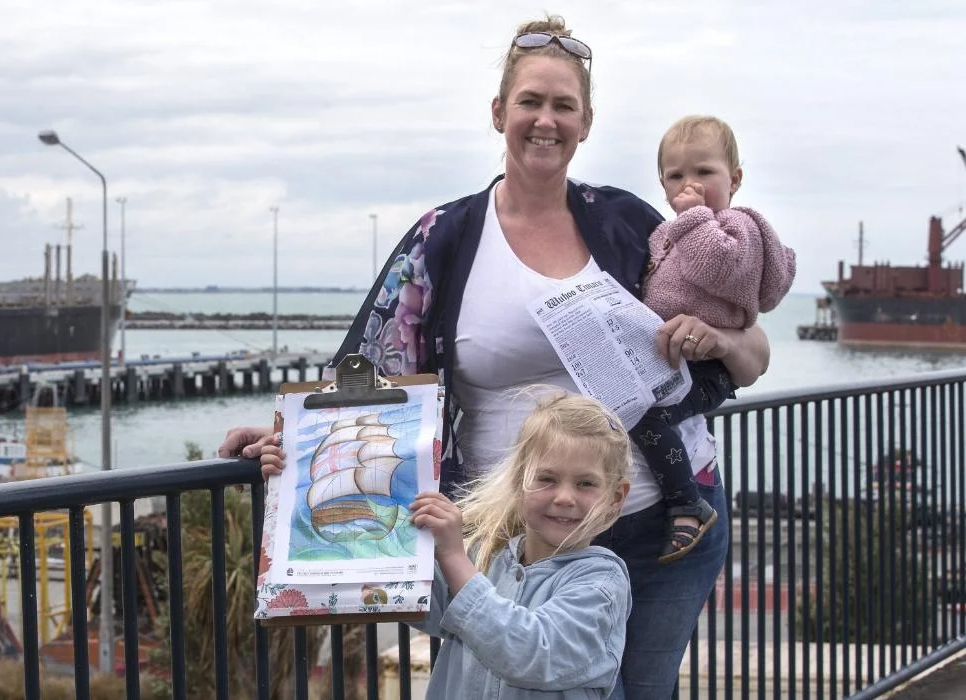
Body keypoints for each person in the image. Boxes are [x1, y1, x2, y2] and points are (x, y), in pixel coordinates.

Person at [220, 14, 772, 699]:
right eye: (531, 102)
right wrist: (290, 440)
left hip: (666, 525)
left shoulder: (632, 225)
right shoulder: (443, 239)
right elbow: (369, 374)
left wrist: (721, 340)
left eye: (564, 105)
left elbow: (749, 351)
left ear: (587, 121)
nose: (547, 121)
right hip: (510, 540)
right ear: (498, 113)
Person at [257, 390, 635, 698]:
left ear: (616, 498)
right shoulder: (491, 556)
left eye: (585, 483)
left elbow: (532, 652)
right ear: (519, 481)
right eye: (547, 479)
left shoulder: (600, 583)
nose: (565, 497)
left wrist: (454, 556)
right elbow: (418, 603)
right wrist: (291, 480)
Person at [631, 115, 796, 564]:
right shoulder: (667, 232)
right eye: (676, 175)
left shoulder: (738, 228)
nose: (691, 185)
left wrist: (694, 218)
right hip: (673, 360)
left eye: (704, 172)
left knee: (648, 416)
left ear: (735, 179)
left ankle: (686, 504)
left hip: (710, 368)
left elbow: (717, 267)